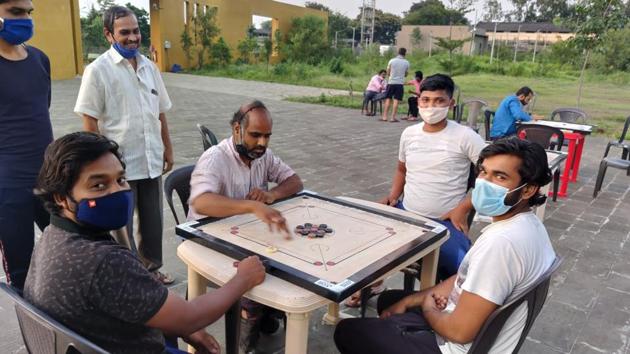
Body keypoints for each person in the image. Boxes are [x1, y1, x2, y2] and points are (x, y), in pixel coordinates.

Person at [25, 132, 267, 354]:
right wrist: (243, 279)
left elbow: (125, 299)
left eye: (120, 180)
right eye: (98, 185)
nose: (117, 192)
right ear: (61, 197)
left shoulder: (53, 236)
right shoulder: (103, 261)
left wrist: (183, 327)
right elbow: (190, 316)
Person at [335, 137, 556, 354]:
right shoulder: (529, 225)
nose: (484, 183)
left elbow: (459, 332)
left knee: (347, 331)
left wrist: (429, 307)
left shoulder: (502, 244)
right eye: (483, 172)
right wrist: (415, 299)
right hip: (470, 323)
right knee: (390, 300)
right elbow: (466, 275)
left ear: (528, 190)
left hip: (455, 346)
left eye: (500, 177)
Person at [189, 100, 303, 353]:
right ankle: (246, 341)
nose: (262, 143)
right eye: (255, 135)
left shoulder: (264, 156)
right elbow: (201, 201)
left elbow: (295, 181)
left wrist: (272, 195)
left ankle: (267, 313)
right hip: (208, 239)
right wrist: (251, 206)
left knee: (293, 256)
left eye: (267, 136)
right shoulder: (215, 158)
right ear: (236, 129)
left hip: (245, 233)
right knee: (260, 274)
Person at [74, 6, 175, 284]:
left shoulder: (149, 67)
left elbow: (160, 112)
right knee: (121, 225)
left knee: (153, 223)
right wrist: (97, 165)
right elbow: (90, 121)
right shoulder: (98, 71)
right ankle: (128, 275)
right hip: (118, 167)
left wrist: (168, 147)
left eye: (136, 31)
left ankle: (151, 269)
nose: (132, 38)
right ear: (109, 34)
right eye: (124, 32)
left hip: (151, 158)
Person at [380, 74, 487, 282]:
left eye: (439, 101)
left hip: (444, 222)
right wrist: (393, 197)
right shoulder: (409, 134)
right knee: (368, 248)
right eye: (426, 100)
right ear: (418, 101)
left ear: (451, 103)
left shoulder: (466, 137)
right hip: (406, 214)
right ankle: (371, 284)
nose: (431, 106)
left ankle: (440, 304)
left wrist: (463, 207)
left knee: (465, 273)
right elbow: (402, 170)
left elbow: (491, 176)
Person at [0, 0, 51, 290]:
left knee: (79, 245)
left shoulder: (40, 59)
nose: (26, 20)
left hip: (49, 179)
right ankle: (38, 334)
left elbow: (41, 112)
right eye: (16, 12)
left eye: (29, 13)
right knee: (21, 273)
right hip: (8, 191)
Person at [381, 47, 410, 123]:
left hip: (391, 82)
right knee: (396, 100)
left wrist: (392, 75)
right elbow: (406, 74)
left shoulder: (392, 61)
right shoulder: (406, 62)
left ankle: (384, 116)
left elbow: (388, 72)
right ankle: (393, 117)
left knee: (388, 99)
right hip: (400, 84)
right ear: (405, 53)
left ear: (398, 52)